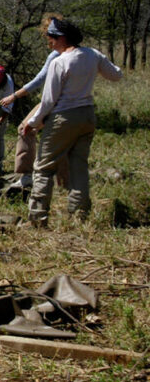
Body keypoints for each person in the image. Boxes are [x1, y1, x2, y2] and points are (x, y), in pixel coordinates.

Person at [20, 18, 123, 226]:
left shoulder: (60, 62)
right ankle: (79, 216)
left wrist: (32, 122)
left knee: (43, 168)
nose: (49, 41)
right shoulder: (93, 54)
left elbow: (49, 100)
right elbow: (116, 75)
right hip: (87, 115)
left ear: (62, 38)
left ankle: (37, 219)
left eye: (51, 37)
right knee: (79, 166)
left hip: (63, 117)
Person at [0, 13, 67, 189]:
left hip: (52, 101)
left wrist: (13, 96)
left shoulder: (56, 55)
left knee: (25, 129)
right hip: (76, 105)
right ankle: (65, 183)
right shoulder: (81, 53)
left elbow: (39, 81)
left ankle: (26, 176)